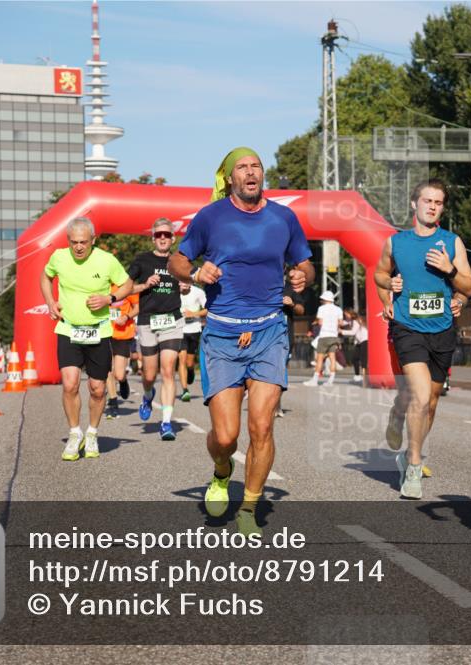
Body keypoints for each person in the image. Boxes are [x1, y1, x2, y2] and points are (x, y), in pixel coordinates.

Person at [169, 146, 313, 536]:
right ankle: (221, 471)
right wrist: (198, 272)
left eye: (256, 167)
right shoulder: (210, 217)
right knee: (227, 436)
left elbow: (306, 263)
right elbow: (177, 262)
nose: (251, 173)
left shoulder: (283, 217)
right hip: (222, 333)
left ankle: (249, 505)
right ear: (230, 178)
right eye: (243, 168)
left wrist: (303, 277)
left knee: (262, 426)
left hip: (268, 331)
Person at [374, 178, 471, 500]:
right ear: (414, 205)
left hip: (442, 330)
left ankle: (399, 423)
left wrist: (449, 272)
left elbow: (469, 287)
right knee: (419, 395)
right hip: (407, 327)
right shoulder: (396, 243)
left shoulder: (452, 242)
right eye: (427, 201)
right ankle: (414, 466)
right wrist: (388, 296)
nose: (432, 206)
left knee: (429, 402)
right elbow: (379, 274)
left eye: (438, 202)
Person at [39, 217, 134, 461]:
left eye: (83, 242)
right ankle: (74, 433)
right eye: (73, 242)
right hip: (69, 329)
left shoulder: (106, 260)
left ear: (93, 240)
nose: (78, 247)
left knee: (97, 389)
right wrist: (50, 301)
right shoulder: (59, 257)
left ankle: (92, 432)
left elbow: (127, 284)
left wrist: (109, 299)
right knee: (70, 383)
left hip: (98, 331)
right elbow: (45, 277)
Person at [128, 218, 185, 441]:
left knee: (168, 370)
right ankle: (147, 395)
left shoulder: (179, 260)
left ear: (173, 238)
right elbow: (126, 287)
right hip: (147, 321)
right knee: (150, 375)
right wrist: (144, 284)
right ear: (153, 238)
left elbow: (188, 285)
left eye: (167, 235)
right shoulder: (142, 260)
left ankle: (166, 422)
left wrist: (186, 286)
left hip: (173, 319)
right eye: (159, 235)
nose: (163, 238)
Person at [105, 281, 140, 418]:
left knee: (119, 374)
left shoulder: (126, 286)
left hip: (122, 333)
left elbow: (137, 307)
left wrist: (126, 317)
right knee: (107, 369)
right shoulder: (101, 284)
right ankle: (113, 402)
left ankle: (123, 381)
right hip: (104, 332)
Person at [277, 274, 305, 417]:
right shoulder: (262, 283)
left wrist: (292, 304)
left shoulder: (290, 287)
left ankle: (277, 403)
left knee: (280, 369)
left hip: (285, 336)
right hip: (264, 335)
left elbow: (301, 310)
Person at [302, 291, 343, 386]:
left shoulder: (321, 308)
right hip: (334, 336)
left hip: (324, 335)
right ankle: (331, 380)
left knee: (319, 358)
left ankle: (315, 380)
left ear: (325, 299)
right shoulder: (338, 309)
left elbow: (320, 322)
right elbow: (340, 323)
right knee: (332, 358)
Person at [179, 279, 208, 403]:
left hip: (194, 329)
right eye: (181, 282)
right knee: (182, 360)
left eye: (186, 282)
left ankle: (190, 371)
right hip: (179, 330)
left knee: (189, 363)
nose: (183, 285)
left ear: (190, 283)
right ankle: (185, 390)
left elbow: (208, 309)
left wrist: (193, 314)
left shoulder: (198, 292)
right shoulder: (174, 292)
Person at [340, 309, 368, 384]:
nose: (345, 316)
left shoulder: (356, 321)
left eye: (346, 314)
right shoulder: (351, 321)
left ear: (351, 314)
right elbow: (343, 323)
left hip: (364, 340)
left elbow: (353, 332)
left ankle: (365, 377)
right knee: (355, 358)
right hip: (359, 342)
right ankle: (357, 376)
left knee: (363, 360)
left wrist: (341, 331)